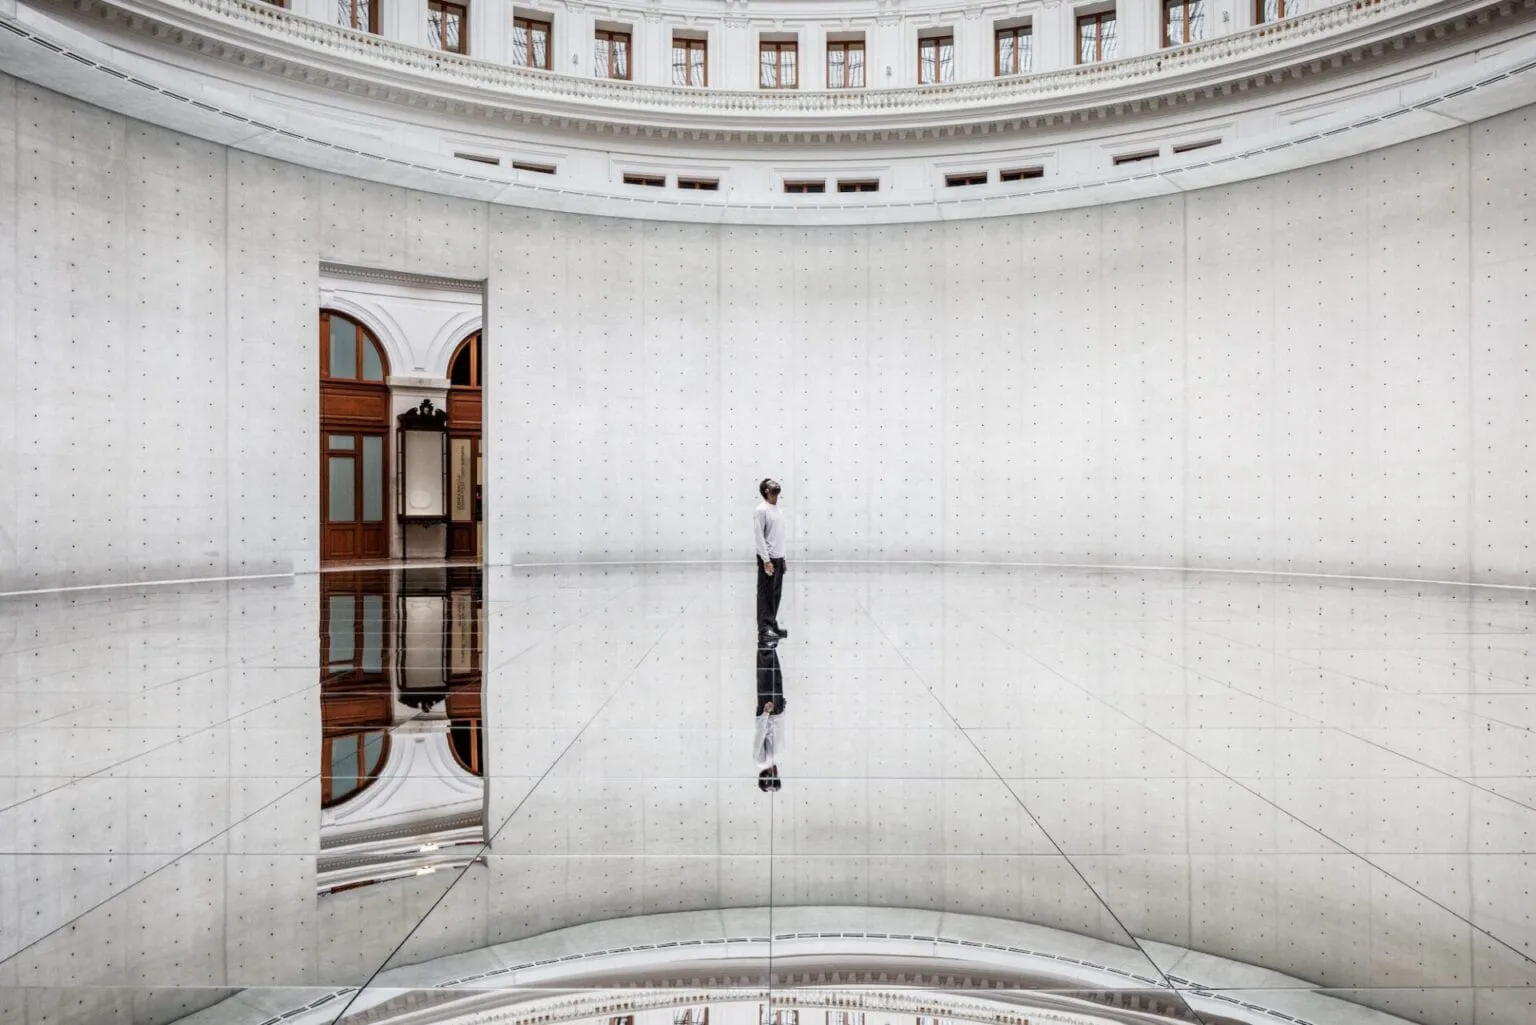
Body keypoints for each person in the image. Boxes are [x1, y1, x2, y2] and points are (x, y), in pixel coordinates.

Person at [754, 478, 788, 642]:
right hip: (768, 560)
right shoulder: (761, 510)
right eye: (771, 484)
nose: (775, 485)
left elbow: (779, 536)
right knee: (765, 595)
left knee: (776, 594)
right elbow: (759, 537)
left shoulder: (778, 510)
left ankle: (772, 623)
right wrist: (766, 560)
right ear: (766, 491)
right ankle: (764, 628)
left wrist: (783, 558)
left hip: (779, 558)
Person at [755, 644, 785, 792]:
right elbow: (778, 735)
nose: (776, 773)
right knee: (775, 674)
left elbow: (760, 736)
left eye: (773, 777)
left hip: (769, 711)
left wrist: (765, 713)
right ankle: (770, 641)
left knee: (766, 674)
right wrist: (782, 711)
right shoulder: (776, 760)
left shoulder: (761, 762)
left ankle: (765, 636)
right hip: (778, 711)